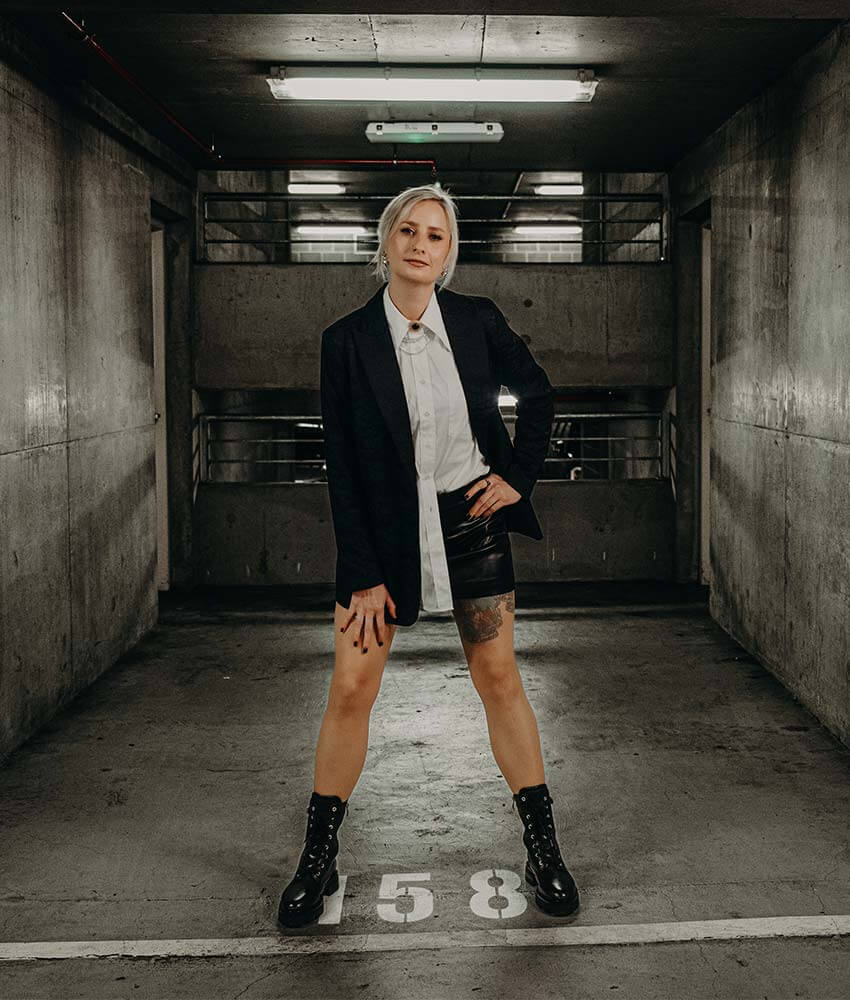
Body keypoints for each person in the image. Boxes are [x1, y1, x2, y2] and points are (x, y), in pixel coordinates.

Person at [277, 183, 579, 928]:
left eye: (435, 236)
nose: (419, 244)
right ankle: (318, 859)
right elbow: (343, 466)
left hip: (471, 523)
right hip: (381, 534)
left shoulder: (476, 323)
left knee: (501, 679)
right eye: (407, 231)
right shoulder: (346, 341)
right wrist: (363, 571)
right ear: (385, 243)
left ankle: (544, 850)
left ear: (448, 254)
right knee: (351, 688)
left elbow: (537, 396)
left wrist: (516, 478)